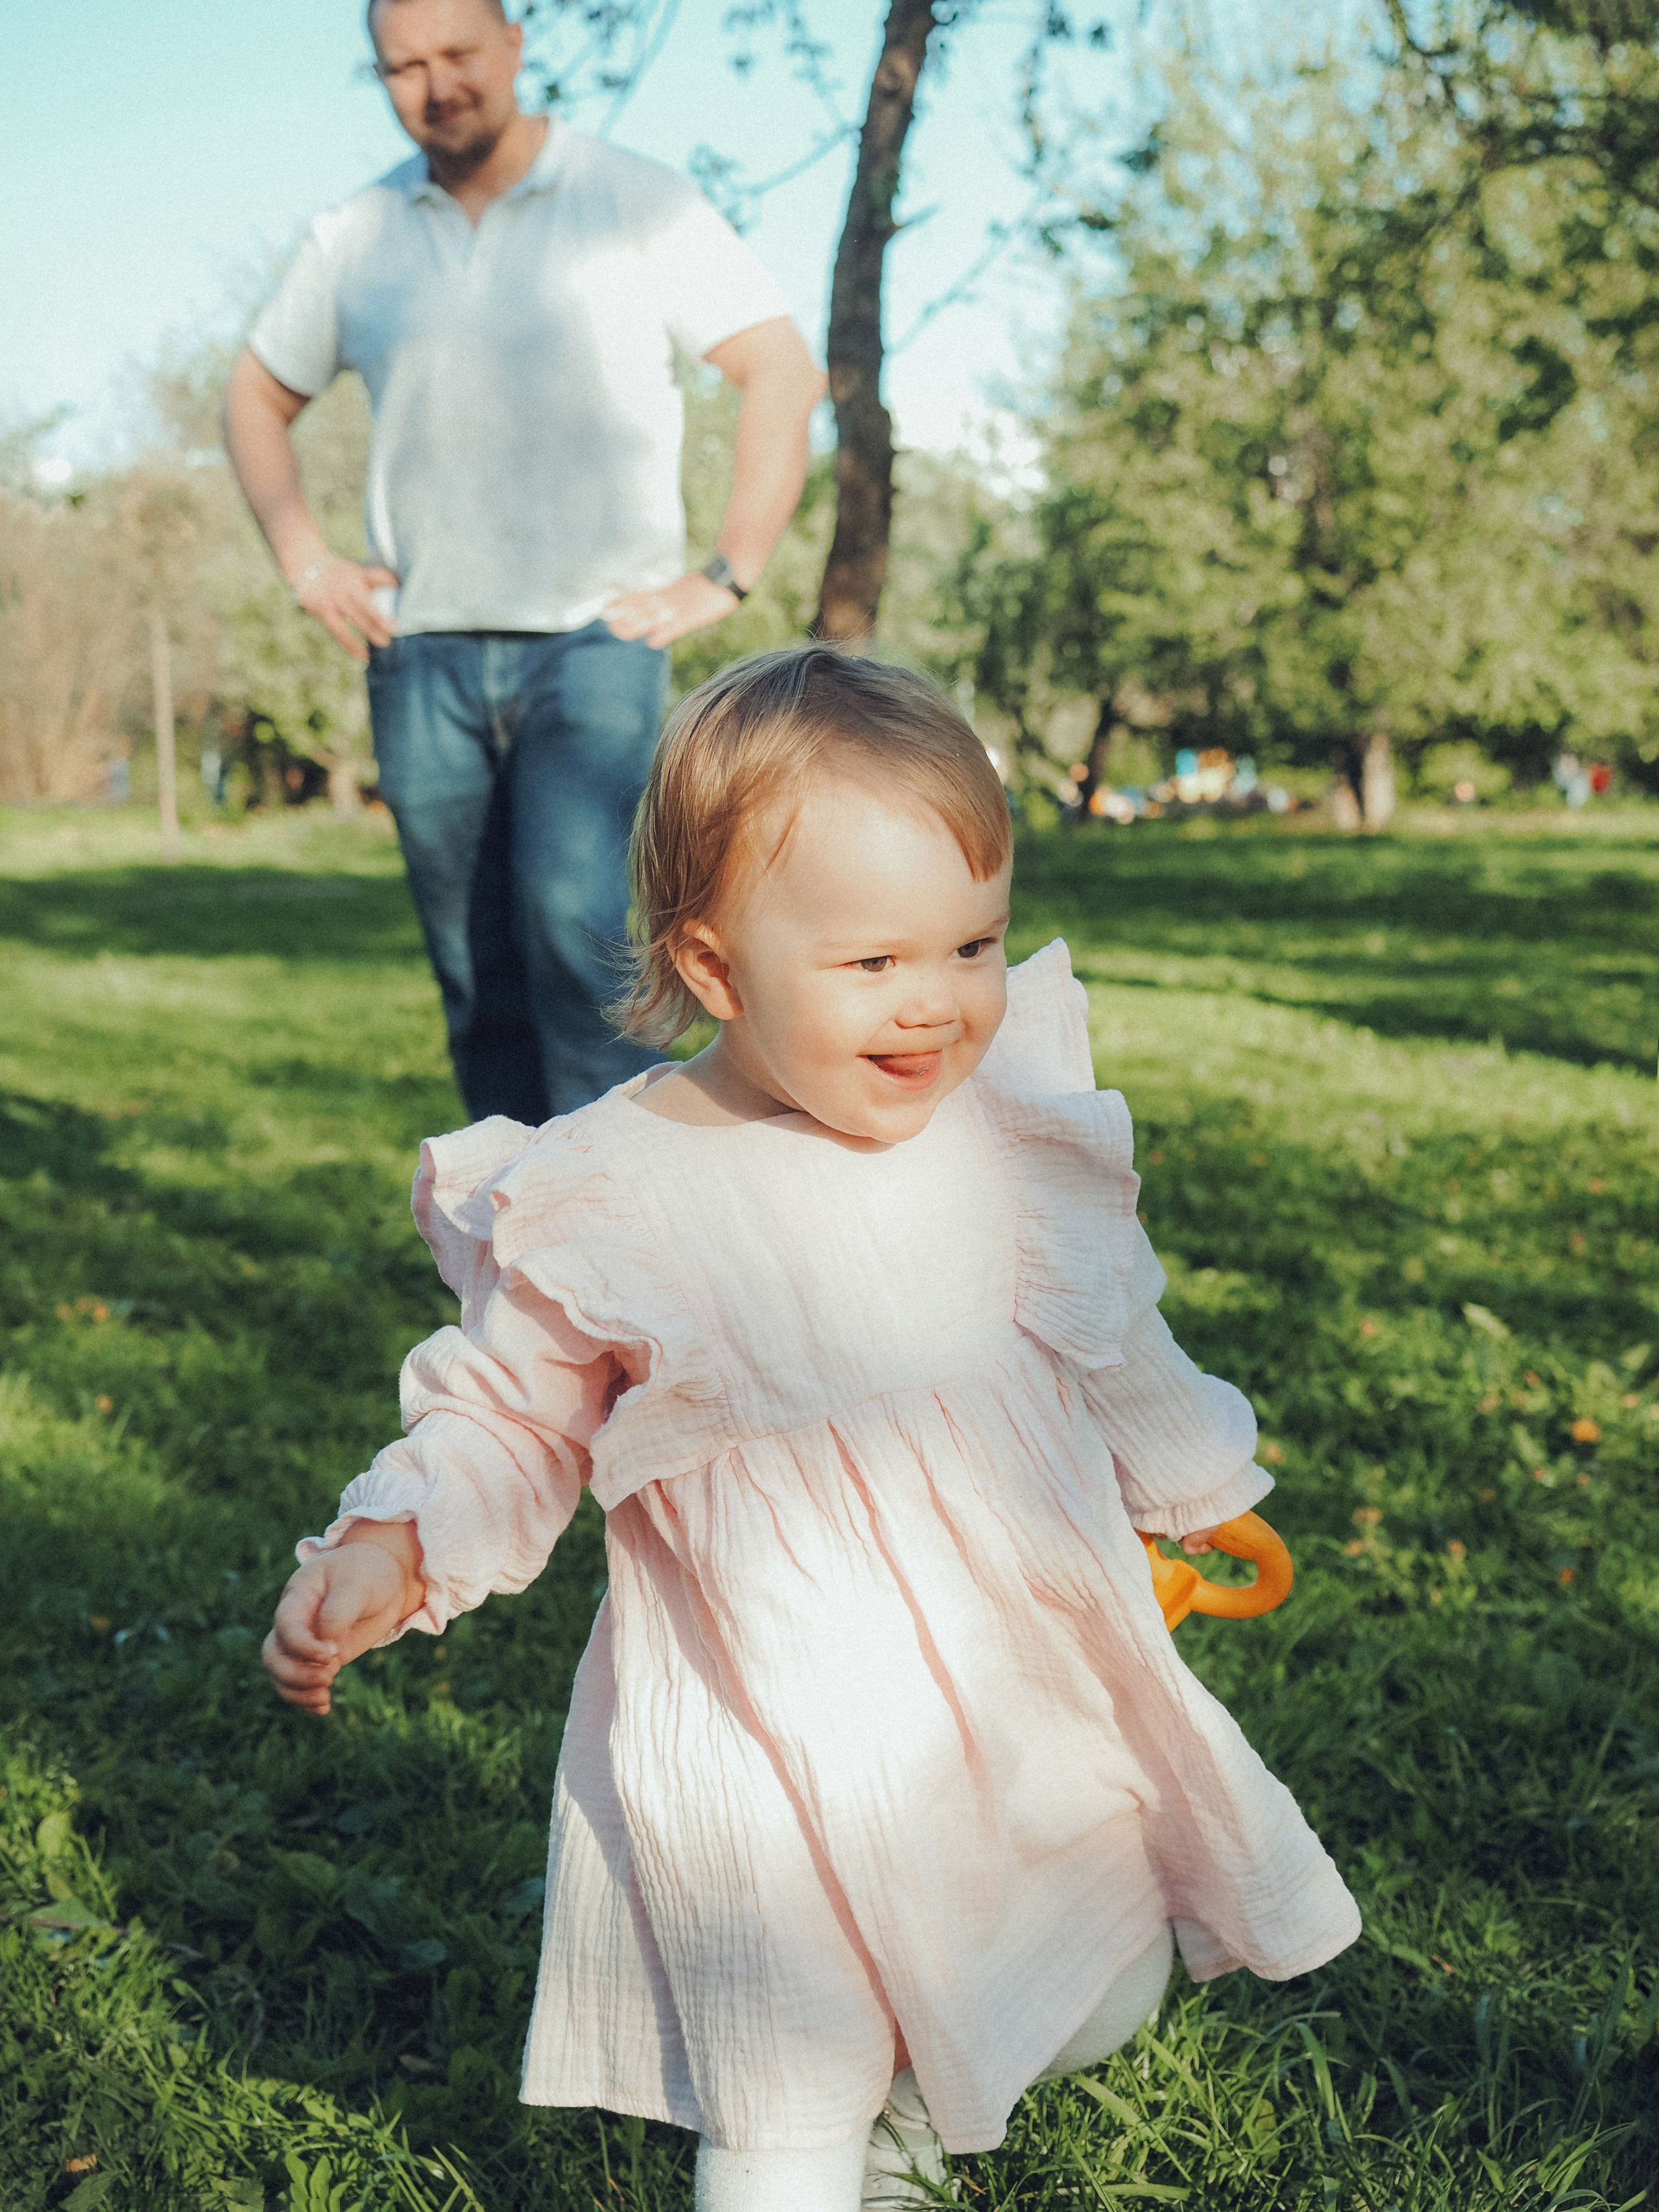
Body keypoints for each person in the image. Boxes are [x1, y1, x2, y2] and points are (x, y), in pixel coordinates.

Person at [262, 649, 1362, 2212]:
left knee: (1097, 1985)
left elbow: (1107, 1322)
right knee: (787, 2072)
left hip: (1007, 1664)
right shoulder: (615, 1194)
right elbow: (510, 1414)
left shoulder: (998, 1133)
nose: (935, 1002)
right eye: (870, 964)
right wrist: (401, 1537)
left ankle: (917, 2096)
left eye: (970, 943)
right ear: (712, 968)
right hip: (767, 1709)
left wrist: (1187, 1476)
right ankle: (821, 2148)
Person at [223, 0, 824, 1123]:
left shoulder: (634, 200)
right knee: (474, 974)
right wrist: (308, 561)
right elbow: (255, 394)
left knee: (584, 956)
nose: (436, 83)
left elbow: (780, 369)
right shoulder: (355, 236)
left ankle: (628, 1244)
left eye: (458, 53)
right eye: (404, 66)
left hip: (592, 648)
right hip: (423, 652)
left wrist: (727, 570)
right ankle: (512, 1249)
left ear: (513, 45)